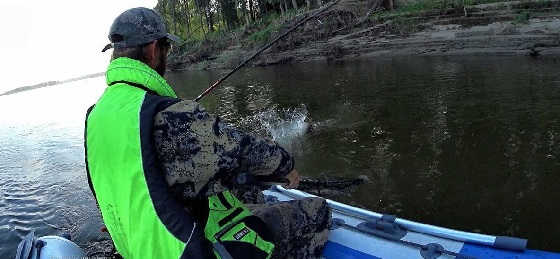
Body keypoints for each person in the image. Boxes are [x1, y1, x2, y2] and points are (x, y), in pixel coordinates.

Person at [84, 7, 330, 259]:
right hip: (182, 252)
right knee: (317, 211)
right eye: (167, 48)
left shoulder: (95, 116)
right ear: (153, 49)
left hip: (137, 249)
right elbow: (240, 150)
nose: (167, 56)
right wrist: (285, 165)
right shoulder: (166, 115)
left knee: (241, 191)